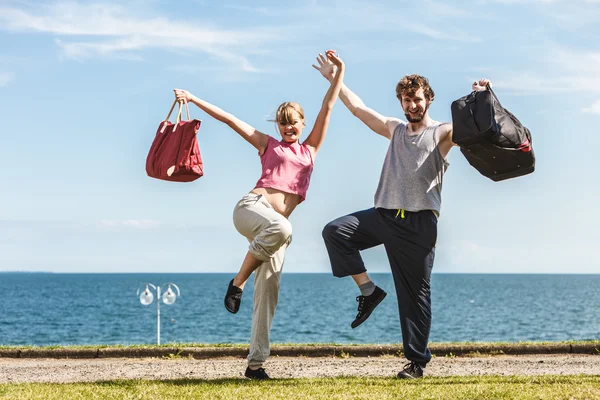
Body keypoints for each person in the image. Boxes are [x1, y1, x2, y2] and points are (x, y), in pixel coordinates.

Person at [313, 53, 491, 379]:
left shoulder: (442, 132)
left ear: (429, 100)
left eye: (417, 99)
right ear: (401, 102)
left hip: (419, 225)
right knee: (335, 232)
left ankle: (417, 362)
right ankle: (369, 291)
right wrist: (334, 78)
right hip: (383, 216)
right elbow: (357, 109)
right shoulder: (394, 129)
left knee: (415, 296)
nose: (412, 105)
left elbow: (475, 127)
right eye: (407, 100)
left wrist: (480, 96)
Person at [174, 50, 345, 380]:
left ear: (302, 123)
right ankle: (236, 283)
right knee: (284, 227)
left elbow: (329, 105)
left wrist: (340, 71)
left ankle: (255, 365)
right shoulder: (268, 145)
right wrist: (193, 99)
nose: (288, 125)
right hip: (252, 210)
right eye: (282, 121)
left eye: (293, 120)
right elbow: (229, 119)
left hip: (272, 233)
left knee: (268, 294)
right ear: (277, 126)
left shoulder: (310, 149)